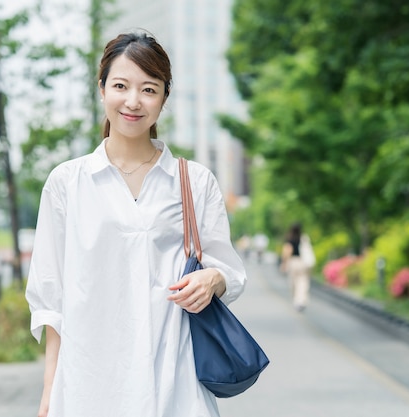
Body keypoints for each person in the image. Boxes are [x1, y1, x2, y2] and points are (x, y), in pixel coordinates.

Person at [25, 30, 247, 417]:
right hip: (89, 382)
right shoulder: (67, 182)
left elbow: (228, 269)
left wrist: (213, 279)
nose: (132, 101)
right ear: (102, 89)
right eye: (121, 86)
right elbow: (51, 298)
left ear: (164, 97)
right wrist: (49, 392)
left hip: (175, 377)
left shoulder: (194, 181)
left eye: (148, 89)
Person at [280, 222, 313, 312]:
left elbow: (287, 251)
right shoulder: (303, 238)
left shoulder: (289, 238)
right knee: (303, 282)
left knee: (293, 282)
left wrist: (284, 263)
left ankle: (296, 301)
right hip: (302, 262)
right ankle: (301, 301)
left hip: (293, 262)